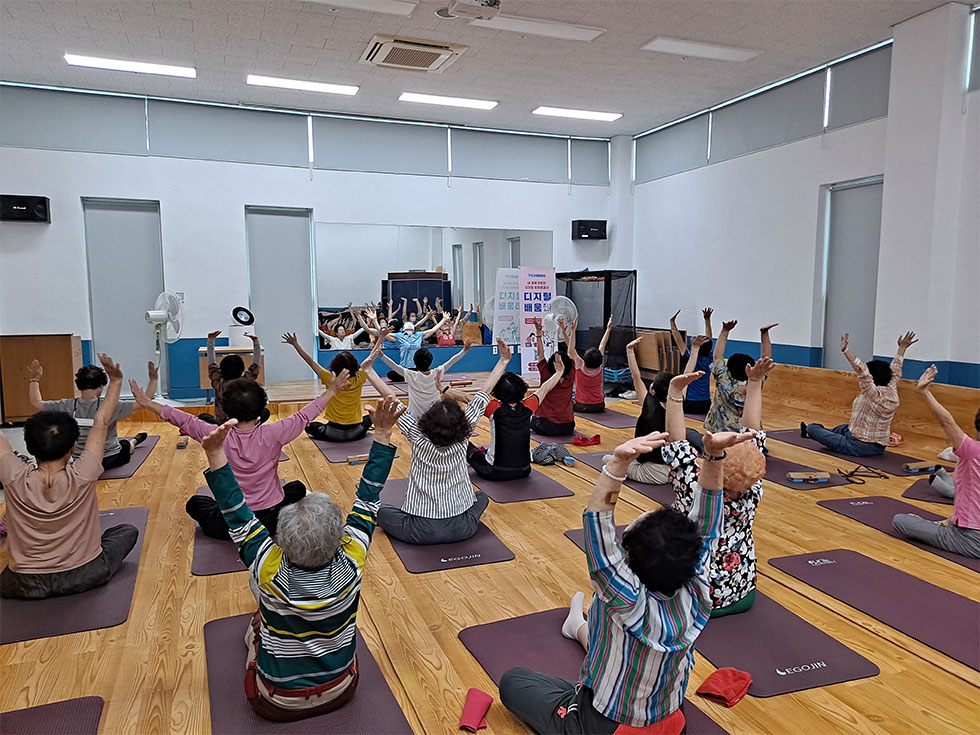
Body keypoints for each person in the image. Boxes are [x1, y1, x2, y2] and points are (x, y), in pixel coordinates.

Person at [499, 414, 756, 734]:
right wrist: (714, 457)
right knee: (608, 641)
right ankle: (577, 627)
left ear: (630, 563)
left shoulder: (626, 596)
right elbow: (706, 520)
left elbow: (596, 522)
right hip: (671, 723)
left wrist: (617, 464)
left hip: (609, 726)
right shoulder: (698, 588)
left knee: (513, 682)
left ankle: (577, 691)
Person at [199, 396, 401, 721]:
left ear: (281, 541)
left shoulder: (267, 565)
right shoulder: (352, 559)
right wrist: (382, 435)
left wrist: (215, 455)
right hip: (343, 689)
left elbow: (236, 512)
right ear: (340, 538)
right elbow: (368, 496)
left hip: (274, 702)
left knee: (256, 624)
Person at [130, 371, 350, 539]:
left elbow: (183, 419)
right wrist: (332, 390)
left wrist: (148, 403)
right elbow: (305, 415)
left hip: (234, 519)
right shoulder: (274, 432)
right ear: (262, 408)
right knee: (298, 488)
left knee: (195, 503)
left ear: (225, 409)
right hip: (272, 518)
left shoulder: (213, 434)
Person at [1, 354, 139, 600]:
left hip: (23, 583)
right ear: (74, 447)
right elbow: (101, 422)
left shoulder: (12, 474)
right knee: (126, 531)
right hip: (85, 574)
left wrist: (34, 379)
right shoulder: (84, 473)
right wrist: (116, 381)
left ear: (29, 448)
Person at [362, 339, 511, 545]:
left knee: (376, 509)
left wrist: (368, 370)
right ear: (461, 424)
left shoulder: (416, 435)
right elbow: (481, 396)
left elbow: (390, 397)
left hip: (419, 529)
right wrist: (503, 361)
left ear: (427, 421)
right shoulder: (463, 437)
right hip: (463, 527)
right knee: (482, 497)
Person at [668, 359, 770, 616]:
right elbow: (753, 432)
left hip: (695, 603)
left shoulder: (693, 489)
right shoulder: (753, 490)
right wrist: (755, 383)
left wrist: (674, 394)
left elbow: (677, 441)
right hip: (743, 594)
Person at [892, 366, 979, 558]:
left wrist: (925, 392)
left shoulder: (972, 451)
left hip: (972, 539)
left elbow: (946, 422)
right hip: (969, 528)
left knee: (900, 521)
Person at [603, 337, 706, 485]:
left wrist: (630, 351)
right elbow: (686, 374)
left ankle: (623, 468)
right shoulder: (677, 401)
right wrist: (695, 349)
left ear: (652, 390)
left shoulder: (648, 403)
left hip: (655, 470)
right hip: (675, 466)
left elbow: (636, 377)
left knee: (608, 460)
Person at [802, 331, 917, 457]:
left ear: (872, 377)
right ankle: (823, 433)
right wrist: (902, 348)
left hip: (858, 446)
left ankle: (812, 432)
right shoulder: (891, 386)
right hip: (878, 446)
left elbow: (861, 369)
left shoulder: (873, 392)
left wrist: (846, 350)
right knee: (844, 428)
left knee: (812, 428)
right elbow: (895, 367)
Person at [28, 358, 154, 470]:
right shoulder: (111, 406)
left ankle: (132, 442)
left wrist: (34, 379)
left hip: (79, 461)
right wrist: (153, 380)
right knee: (125, 446)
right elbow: (144, 403)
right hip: (110, 458)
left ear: (78, 385)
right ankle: (133, 442)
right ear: (101, 386)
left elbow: (36, 402)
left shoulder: (66, 405)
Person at [466, 355, 566, 482]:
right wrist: (559, 372)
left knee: (465, 444)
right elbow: (545, 388)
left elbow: (472, 398)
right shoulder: (529, 406)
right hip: (524, 470)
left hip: (495, 472)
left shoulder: (494, 408)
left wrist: (444, 390)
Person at [281, 332, 375, 442]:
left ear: (334, 365)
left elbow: (309, 361)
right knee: (370, 417)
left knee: (309, 426)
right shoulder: (360, 377)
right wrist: (381, 337)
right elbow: (371, 357)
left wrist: (295, 343)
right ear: (354, 365)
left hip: (333, 433)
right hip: (356, 432)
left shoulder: (329, 378)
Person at [703, 320, 776, 433]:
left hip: (719, 434)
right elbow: (766, 359)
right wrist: (764, 334)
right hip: (747, 435)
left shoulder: (723, 380)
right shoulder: (755, 383)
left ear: (729, 372)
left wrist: (725, 331)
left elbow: (717, 356)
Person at [377, 339, 472, 419]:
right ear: (431, 361)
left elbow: (394, 366)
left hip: (414, 417)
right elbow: (452, 361)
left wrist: (381, 355)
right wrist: (465, 350)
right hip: (435, 416)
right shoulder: (437, 373)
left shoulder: (410, 374)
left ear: (415, 362)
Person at [358, 310, 448, 383]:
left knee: (426, 373)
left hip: (418, 368)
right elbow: (384, 334)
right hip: (404, 369)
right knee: (390, 374)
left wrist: (443, 320)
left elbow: (432, 330)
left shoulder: (419, 335)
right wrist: (374, 320)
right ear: (403, 329)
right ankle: (413, 377)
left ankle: (417, 376)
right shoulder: (399, 336)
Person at [201, 329, 268, 425]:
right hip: (241, 423)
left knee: (202, 417)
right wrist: (255, 342)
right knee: (265, 412)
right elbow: (256, 365)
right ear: (241, 369)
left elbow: (211, 363)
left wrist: (211, 341)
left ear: (221, 369)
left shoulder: (218, 383)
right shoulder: (245, 383)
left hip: (222, 423)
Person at [530, 318, 577, 436]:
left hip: (547, 426)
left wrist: (538, 333)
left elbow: (540, 354)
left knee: (528, 419)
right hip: (568, 426)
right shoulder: (570, 374)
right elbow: (571, 351)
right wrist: (572, 330)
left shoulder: (546, 373)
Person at [669, 307, 714, 414]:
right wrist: (707, 320)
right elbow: (709, 340)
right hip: (706, 404)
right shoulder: (710, 358)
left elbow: (678, 339)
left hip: (690, 403)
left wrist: (672, 323)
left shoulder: (691, 357)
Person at [569, 316, 614, 413]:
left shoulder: (580, 366)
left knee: (566, 402)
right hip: (599, 406)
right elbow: (602, 345)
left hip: (582, 406)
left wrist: (573, 330)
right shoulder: (599, 367)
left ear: (584, 359)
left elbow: (571, 350)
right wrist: (608, 329)